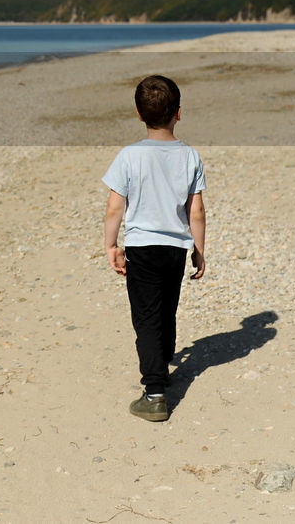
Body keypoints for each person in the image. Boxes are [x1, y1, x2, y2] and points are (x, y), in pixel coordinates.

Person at [103, 75, 207, 421]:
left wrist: (110, 245)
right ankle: (162, 367)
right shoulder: (190, 156)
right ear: (179, 113)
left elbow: (115, 207)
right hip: (175, 247)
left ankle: (155, 393)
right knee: (166, 308)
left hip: (143, 247)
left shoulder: (129, 156)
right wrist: (199, 248)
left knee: (146, 317)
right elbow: (196, 210)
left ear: (138, 113)